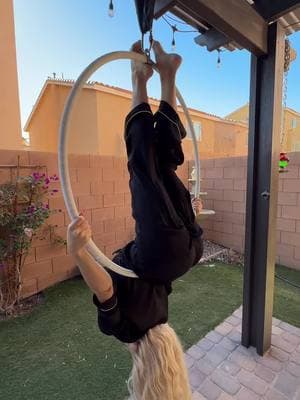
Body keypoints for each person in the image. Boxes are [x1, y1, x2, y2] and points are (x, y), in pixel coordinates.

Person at [68, 41, 203, 400]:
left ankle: (164, 74)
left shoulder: (159, 316)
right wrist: (80, 253)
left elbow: (152, 277)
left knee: (162, 166)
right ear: (142, 367)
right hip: (162, 251)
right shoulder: (128, 330)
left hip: (187, 251)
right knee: (141, 166)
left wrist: (189, 217)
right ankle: (140, 79)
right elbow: (105, 290)